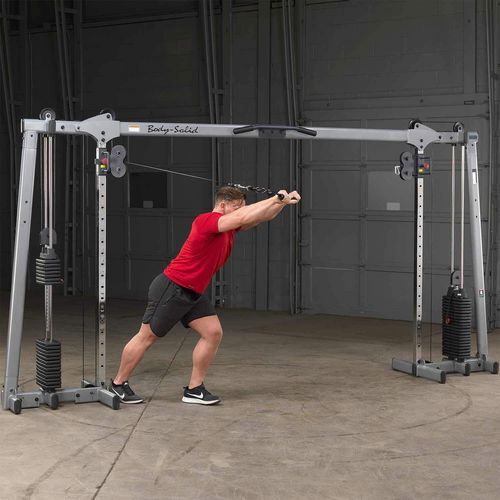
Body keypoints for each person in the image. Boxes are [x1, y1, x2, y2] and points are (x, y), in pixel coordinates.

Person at [109, 185, 301, 405]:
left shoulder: (229, 228)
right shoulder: (206, 221)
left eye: (242, 206)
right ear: (222, 205)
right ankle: (118, 384)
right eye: (236, 207)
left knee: (213, 333)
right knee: (146, 337)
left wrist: (282, 203)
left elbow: (259, 217)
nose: (241, 210)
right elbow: (243, 216)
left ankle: (194, 389)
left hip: (193, 291)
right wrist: (274, 199)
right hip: (173, 287)